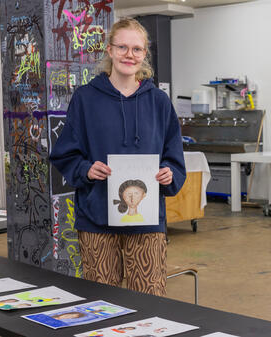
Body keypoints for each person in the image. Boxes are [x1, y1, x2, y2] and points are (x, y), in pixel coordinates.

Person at [49, 17, 186, 297]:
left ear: (144, 54)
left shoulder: (159, 102)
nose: (129, 55)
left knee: (149, 301)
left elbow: (174, 156)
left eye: (137, 49)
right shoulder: (86, 98)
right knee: (102, 302)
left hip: (146, 222)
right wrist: (86, 170)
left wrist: (169, 172)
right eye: (122, 47)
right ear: (109, 50)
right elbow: (65, 153)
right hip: (96, 218)